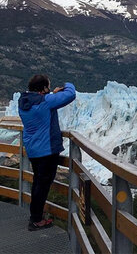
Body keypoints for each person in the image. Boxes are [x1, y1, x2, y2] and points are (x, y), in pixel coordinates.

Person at [18, 75, 76, 231]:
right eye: (48, 87)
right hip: (46, 150)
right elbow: (71, 94)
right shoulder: (45, 101)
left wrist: (51, 94)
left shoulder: (24, 101)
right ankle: (36, 220)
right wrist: (67, 83)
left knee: (38, 183)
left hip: (33, 150)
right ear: (43, 89)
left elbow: (42, 104)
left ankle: (36, 216)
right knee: (42, 186)